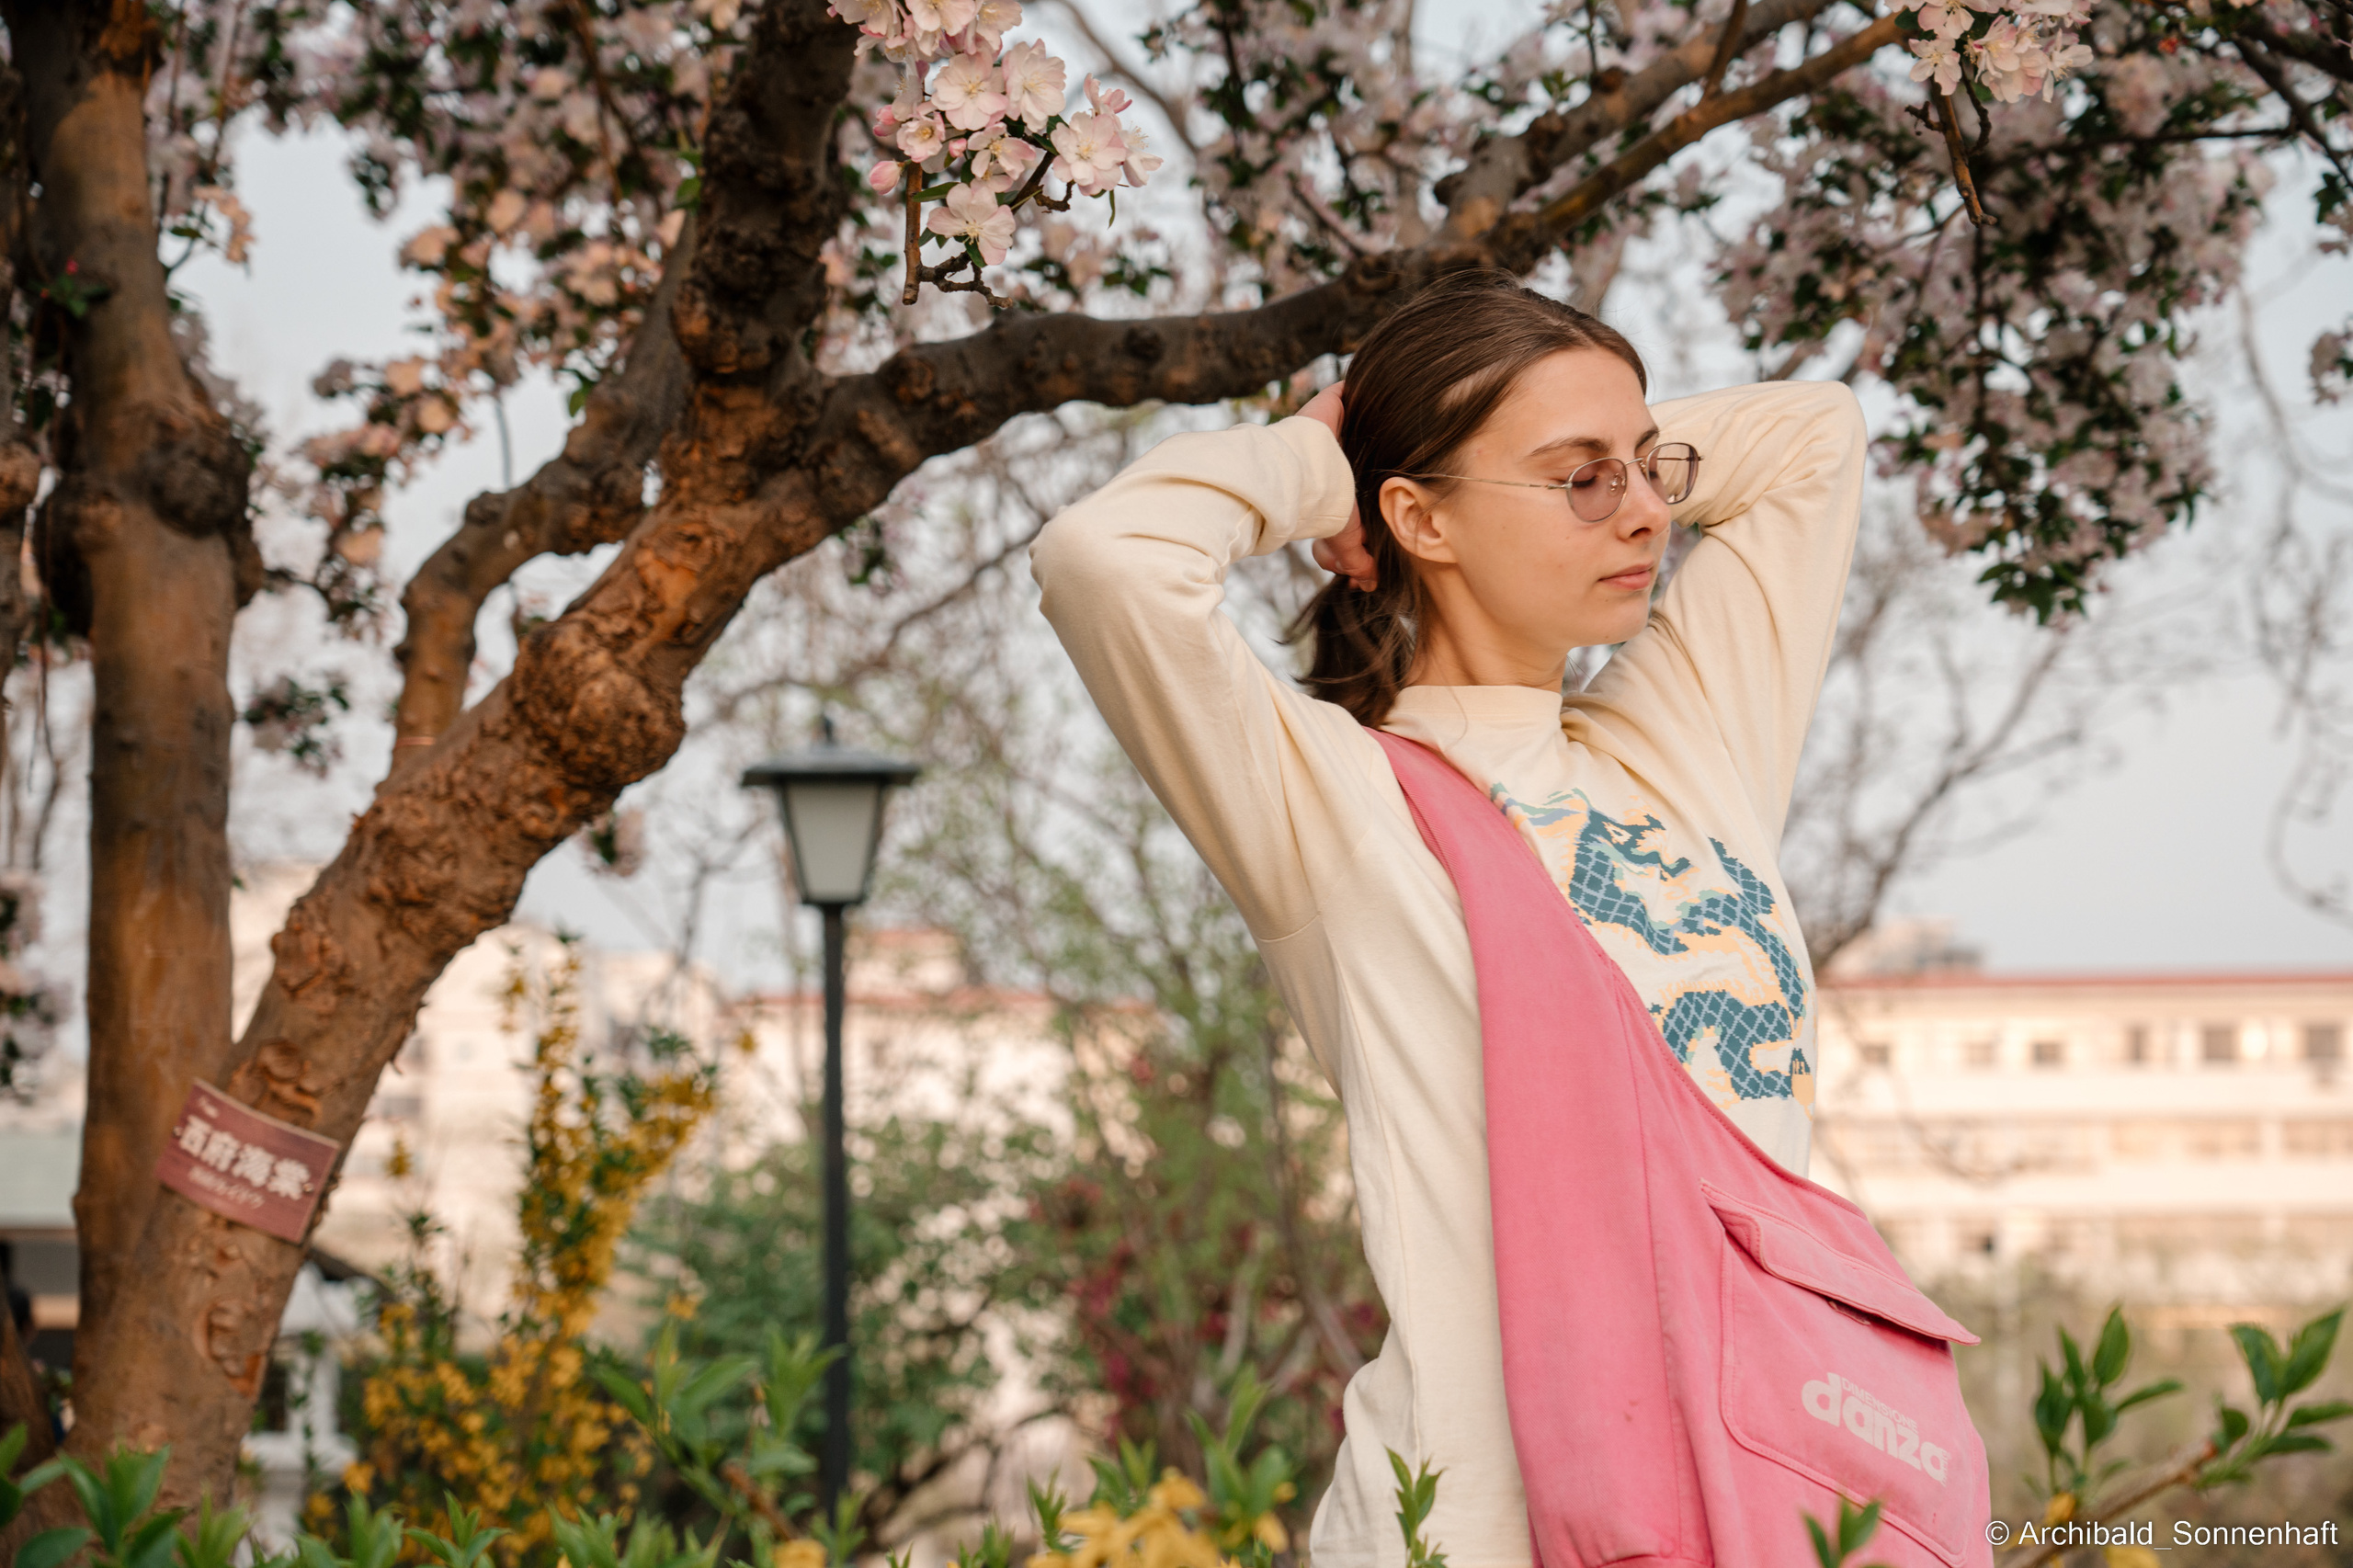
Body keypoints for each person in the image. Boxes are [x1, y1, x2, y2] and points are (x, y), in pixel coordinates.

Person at [1029, 269, 1868, 1568]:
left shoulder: (1690, 741)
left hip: (1758, 1494)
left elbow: (1816, 434)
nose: (1646, 511)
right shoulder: (1340, 804)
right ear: (1418, 518)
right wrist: (1328, 463)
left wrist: (1565, 454)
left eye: (1652, 469)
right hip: (1471, 1529)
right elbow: (1106, 558)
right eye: (1584, 478)